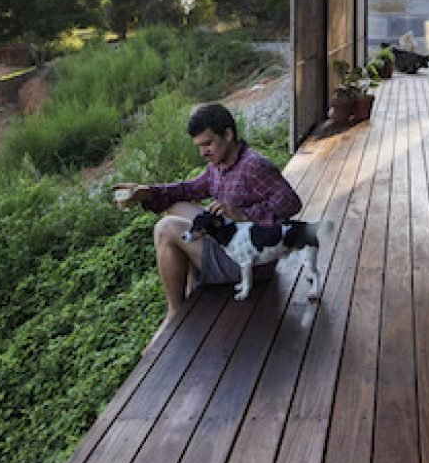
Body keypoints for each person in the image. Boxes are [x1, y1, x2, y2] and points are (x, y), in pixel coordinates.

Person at [112, 103, 301, 325]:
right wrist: (146, 192)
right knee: (175, 207)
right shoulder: (219, 166)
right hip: (232, 239)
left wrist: (244, 214)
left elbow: (291, 203)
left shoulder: (254, 166)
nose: (203, 152)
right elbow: (189, 188)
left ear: (228, 134)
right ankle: (192, 285)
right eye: (199, 146)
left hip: (250, 260)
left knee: (166, 229)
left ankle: (175, 314)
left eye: (208, 144)